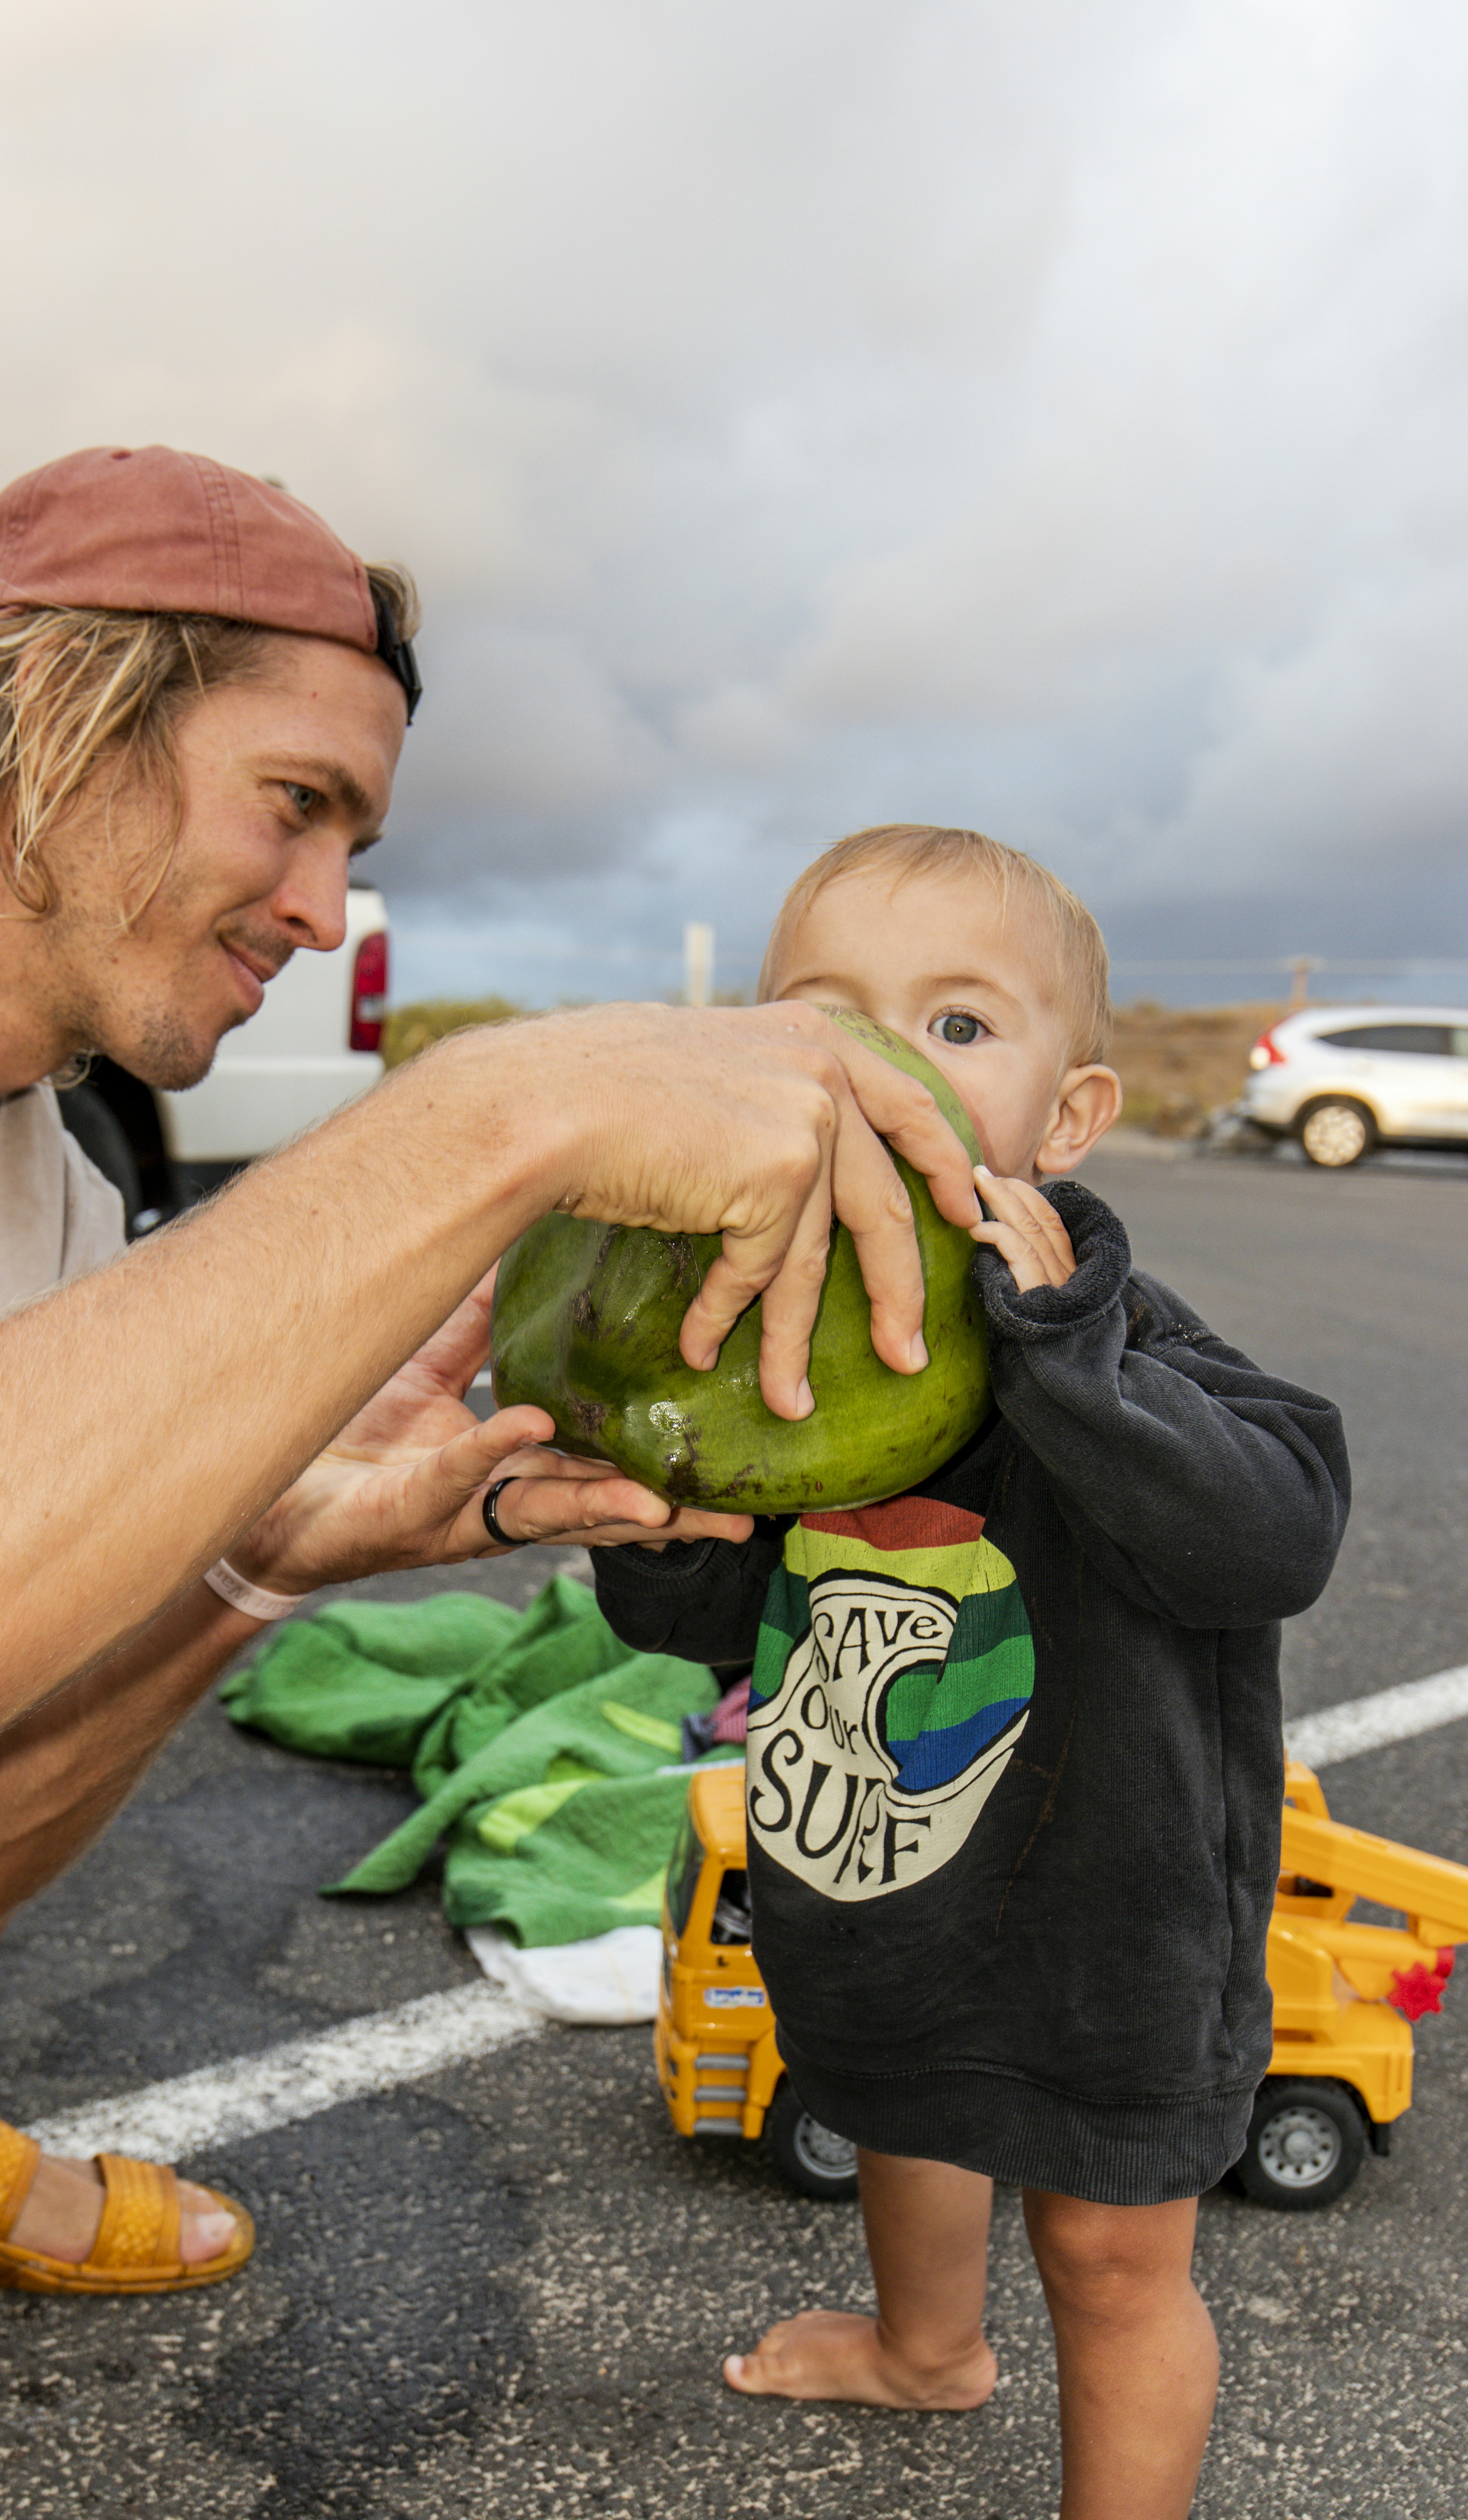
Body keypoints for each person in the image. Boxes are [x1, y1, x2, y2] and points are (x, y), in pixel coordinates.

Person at [0, 449, 983, 2296]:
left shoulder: (39, 1202)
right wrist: (490, 1118)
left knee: (66, 1514)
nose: (325, 912)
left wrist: (258, 1556)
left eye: (355, 845)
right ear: (54, 715)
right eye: (294, 803)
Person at [591, 824, 1350, 2520]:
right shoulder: (787, 1330)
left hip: (1113, 1921)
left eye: (953, 1025)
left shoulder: (1124, 1336)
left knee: (1108, 2259)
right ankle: (924, 2351)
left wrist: (1066, 1353)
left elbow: (1274, 1532)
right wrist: (659, 1526)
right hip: (888, 1886)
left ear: (1067, 1119)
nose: (879, 1060)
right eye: (826, 1014)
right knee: (898, 2117)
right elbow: (689, 1633)